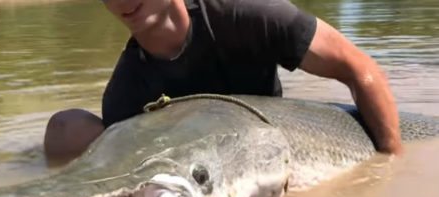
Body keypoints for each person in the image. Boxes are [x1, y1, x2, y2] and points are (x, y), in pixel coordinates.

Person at [43, 0, 403, 167]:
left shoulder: (247, 14)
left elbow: (361, 69)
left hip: (279, 150)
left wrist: (392, 165)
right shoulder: (125, 95)